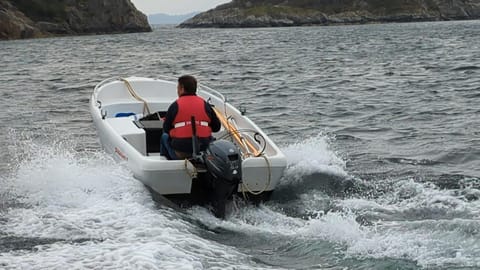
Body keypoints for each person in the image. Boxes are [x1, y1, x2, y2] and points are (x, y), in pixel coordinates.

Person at [160, 75, 221, 159]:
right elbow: (217, 127)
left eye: (177, 88)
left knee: (164, 137)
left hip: (181, 154)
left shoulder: (175, 106)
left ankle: (166, 164)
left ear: (181, 88)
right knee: (211, 139)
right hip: (204, 151)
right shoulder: (205, 105)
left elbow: (166, 129)